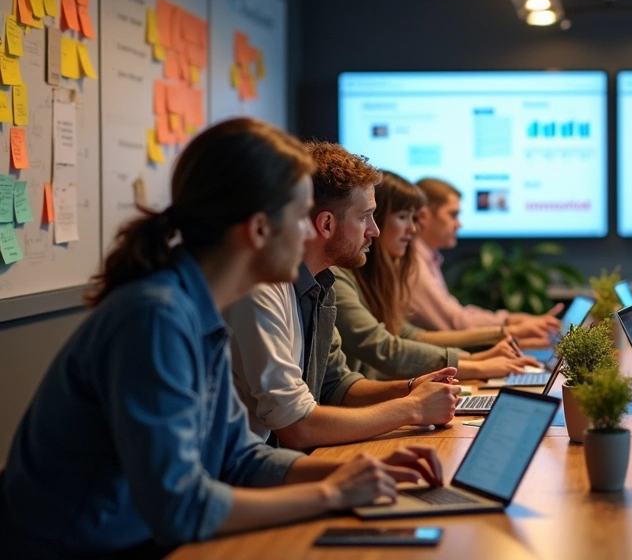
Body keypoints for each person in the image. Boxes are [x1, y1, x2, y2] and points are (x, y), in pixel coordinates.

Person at [0, 120, 444, 557]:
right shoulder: (155, 317)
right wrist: (330, 494)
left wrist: (355, 474)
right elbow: (181, 507)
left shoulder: (197, 310)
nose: (311, 232)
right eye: (299, 218)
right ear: (257, 230)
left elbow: (242, 457)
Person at [225, 142, 459, 451]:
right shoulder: (261, 289)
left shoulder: (320, 283)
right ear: (326, 224)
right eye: (365, 217)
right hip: (253, 467)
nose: (373, 230)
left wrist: (413, 389)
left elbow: (336, 384)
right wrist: (412, 408)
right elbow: (296, 427)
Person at [334, 170, 540, 381]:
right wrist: (480, 361)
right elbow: (386, 349)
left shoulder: (375, 276)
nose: (413, 229)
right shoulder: (339, 276)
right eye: (403, 217)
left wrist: (481, 355)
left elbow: (407, 334)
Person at [409, 177, 562, 336]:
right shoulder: (413, 262)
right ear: (423, 217)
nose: (459, 224)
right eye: (453, 215)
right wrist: (513, 326)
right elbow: (456, 323)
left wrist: (513, 321)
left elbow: (459, 316)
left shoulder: (427, 257)